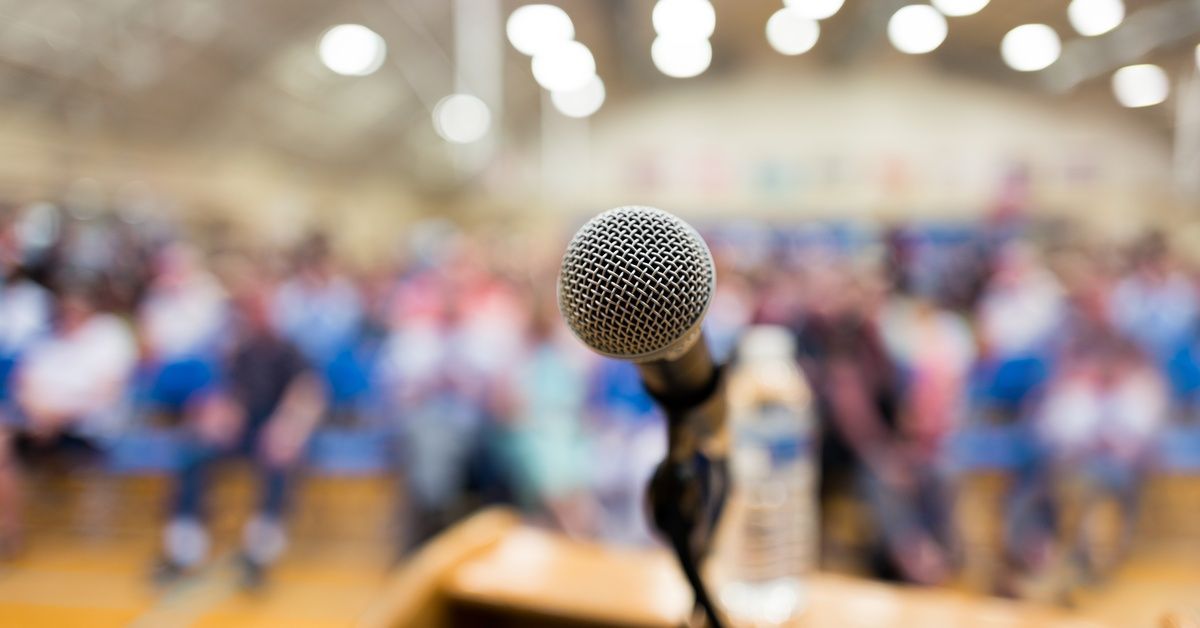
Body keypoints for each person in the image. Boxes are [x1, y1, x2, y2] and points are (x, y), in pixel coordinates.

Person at [157, 266, 325, 588]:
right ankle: (184, 550)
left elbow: (308, 393)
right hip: (243, 430)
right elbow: (224, 394)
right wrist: (217, 416)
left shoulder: (291, 350)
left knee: (279, 463)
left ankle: (259, 556)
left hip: (278, 432)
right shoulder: (238, 350)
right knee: (193, 451)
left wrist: (287, 428)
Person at [0, 278, 137, 555]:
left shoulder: (110, 335)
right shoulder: (45, 339)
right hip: (39, 423)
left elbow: (107, 393)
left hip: (91, 428)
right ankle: (9, 533)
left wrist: (57, 416)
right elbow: (22, 384)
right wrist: (39, 413)